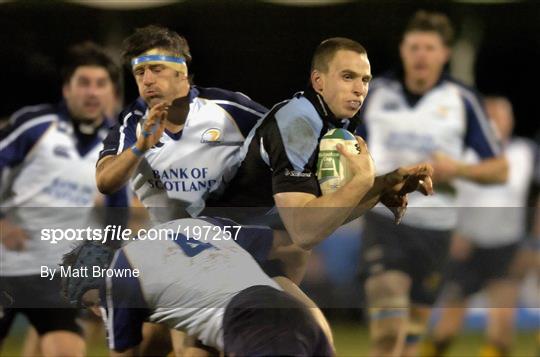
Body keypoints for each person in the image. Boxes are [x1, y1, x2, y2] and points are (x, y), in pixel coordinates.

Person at [355, 10, 509, 356]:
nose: (421, 55)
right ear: (403, 50)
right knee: (388, 324)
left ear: (445, 54)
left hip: (436, 231)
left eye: (429, 47)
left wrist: (457, 170)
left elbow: (499, 169)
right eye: (414, 47)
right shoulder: (376, 93)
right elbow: (349, 147)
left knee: (410, 338)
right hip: (385, 221)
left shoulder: (462, 100)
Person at [207, 36, 434, 250]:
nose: (359, 89)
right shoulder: (297, 123)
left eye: (365, 80)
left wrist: (383, 186)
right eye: (348, 76)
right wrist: (364, 181)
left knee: (294, 259)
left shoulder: (336, 123)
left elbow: (327, 213)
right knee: (296, 253)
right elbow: (304, 232)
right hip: (215, 237)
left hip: (252, 237)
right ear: (318, 81)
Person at [0, 42, 124, 356]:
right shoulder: (36, 125)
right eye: (83, 83)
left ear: (111, 92)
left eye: (101, 84)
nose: (92, 92)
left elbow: (116, 218)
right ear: (67, 89)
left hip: (52, 277)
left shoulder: (113, 147)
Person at [62, 217, 334, 357]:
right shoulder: (191, 227)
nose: (98, 312)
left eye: (92, 302)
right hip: (296, 313)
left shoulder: (117, 279)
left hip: (252, 324)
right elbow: (287, 244)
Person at [96, 25, 268, 225]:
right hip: (170, 246)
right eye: (140, 72)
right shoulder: (131, 121)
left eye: (156, 69)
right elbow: (104, 182)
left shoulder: (229, 108)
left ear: (182, 71)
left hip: (234, 240)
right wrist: (140, 147)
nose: (147, 80)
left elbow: (286, 134)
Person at [420, 96, 538, 357]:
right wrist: (452, 233)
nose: (496, 123)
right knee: (446, 328)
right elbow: (440, 194)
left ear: (511, 120)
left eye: (501, 116)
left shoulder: (525, 153)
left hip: (506, 246)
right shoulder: (462, 155)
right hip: (468, 246)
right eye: (490, 117)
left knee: (502, 329)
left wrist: (533, 243)